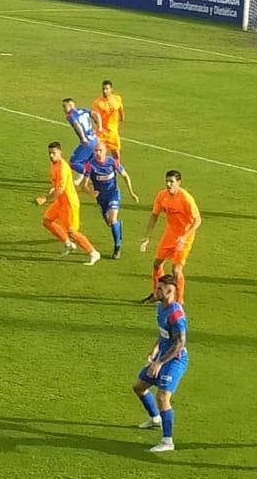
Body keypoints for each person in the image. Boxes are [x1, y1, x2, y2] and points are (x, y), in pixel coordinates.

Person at [132, 274, 187, 453]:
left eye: (159, 288)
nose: (156, 291)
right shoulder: (161, 307)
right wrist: (155, 349)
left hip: (175, 360)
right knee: (139, 387)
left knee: (163, 397)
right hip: (161, 356)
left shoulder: (176, 314)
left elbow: (180, 343)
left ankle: (167, 441)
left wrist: (160, 363)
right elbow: (164, 333)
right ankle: (155, 418)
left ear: (170, 291)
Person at [138, 169, 200, 304]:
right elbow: (154, 215)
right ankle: (157, 294)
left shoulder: (186, 198)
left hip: (184, 237)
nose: (168, 184)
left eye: (171, 181)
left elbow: (198, 220)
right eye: (167, 181)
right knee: (157, 263)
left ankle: (179, 300)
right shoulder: (162, 196)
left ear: (179, 183)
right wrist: (147, 236)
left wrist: (184, 236)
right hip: (170, 234)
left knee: (176, 270)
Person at [34, 141, 99, 264]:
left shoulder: (63, 167)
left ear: (60, 153)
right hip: (60, 202)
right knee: (47, 221)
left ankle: (93, 252)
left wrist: (45, 199)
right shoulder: (54, 165)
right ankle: (68, 244)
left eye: (53, 153)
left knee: (72, 232)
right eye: (49, 153)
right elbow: (55, 186)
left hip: (69, 203)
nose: (51, 156)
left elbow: (60, 189)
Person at [82, 140, 137, 259]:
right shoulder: (89, 165)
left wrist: (131, 192)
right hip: (101, 198)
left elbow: (125, 176)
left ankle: (117, 246)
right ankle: (118, 226)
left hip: (113, 194)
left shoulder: (112, 162)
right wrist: (91, 192)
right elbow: (83, 185)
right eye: (96, 150)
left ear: (105, 151)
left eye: (100, 150)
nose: (98, 153)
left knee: (112, 220)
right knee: (109, 222)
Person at [61, 96, 98, 176]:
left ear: (70, 105)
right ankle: (94, 177)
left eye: (64, 106)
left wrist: (83, 138)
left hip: (87, 142)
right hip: (95, 140)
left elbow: (76, 125)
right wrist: (98, 126)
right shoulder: (84, 110)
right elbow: (95, 114)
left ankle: (94, 175)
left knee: (73, 163)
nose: (63, 109)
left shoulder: (70, 115)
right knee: (90, 162)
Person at [91, 80, 126, 162]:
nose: (104, 91)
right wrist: (99, 126)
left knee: (116, 155)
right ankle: (98, 172)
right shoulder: (98, 103)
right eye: (103, 89)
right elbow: (95, 116)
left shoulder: (117, 99)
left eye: (106, 89)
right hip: (101, 134)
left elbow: (120, 109)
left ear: (111, 89)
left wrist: (122, 117)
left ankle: (115, 173)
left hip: (113, 133)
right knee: (98, 155)